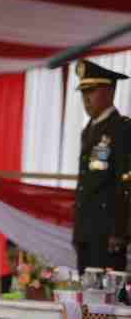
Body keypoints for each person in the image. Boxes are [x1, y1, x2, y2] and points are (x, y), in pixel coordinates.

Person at [72, 59, 131, 273]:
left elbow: (126, 181)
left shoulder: (122, 128)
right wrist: (78, 231)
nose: (86, 98)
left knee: (106, 292)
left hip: (107, 232)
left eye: (91, 91)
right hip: (86, 230)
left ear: (109, 91)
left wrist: (119, 231)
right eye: (83, 92)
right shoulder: (88, 130)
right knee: (86, 291)